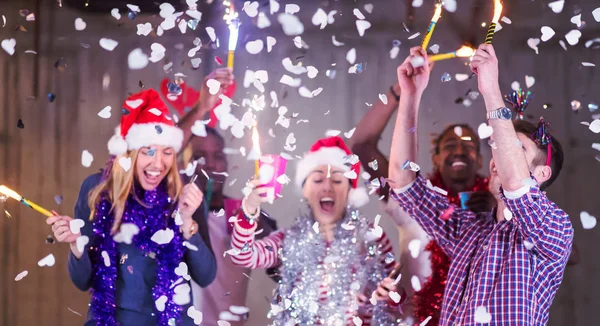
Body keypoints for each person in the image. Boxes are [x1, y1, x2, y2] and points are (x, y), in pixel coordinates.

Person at [382, 45, 573, 325]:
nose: (498, 155)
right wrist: (410, 95)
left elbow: (516, 184)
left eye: (516, 149)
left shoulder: (555, 227)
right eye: (498, 146)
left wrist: (490, 89)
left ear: (542, 174)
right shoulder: (470, 229)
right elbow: (403, 183)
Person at [46, 89, 216, 326]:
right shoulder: (96, 189)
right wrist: (77, 245)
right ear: (129, 153)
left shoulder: (184, 194)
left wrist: (187, 222)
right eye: (148, 151)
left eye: (167, 152)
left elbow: (206, 276)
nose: (158, 163)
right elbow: (82, 281)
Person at [352, 85, 493, 325]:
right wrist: (398, 94)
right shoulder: (413, 201)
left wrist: (503, 208)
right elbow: (361, 145)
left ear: (480, 160)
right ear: (435, 158)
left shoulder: (500, 208)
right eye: (449, 146)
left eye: (468, 146)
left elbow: (563, 253)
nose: (459, 151)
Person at [230, 136, 399, 325]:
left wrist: (387, 295)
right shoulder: (288, 240)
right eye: (318, 180)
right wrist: (250, 208)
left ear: (350, 190)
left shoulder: (371, 237)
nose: (327, 187)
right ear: (305, 190)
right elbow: (242, 256)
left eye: (336, 180)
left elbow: (399, 300)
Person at [185, 126, 279, 325]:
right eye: (200, 156)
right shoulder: (178, 215)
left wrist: (253, 220)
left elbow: (279, 267)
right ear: (185, 164)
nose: (210, 164)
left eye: (218, 156)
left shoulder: (242, 213)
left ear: (227, 164)